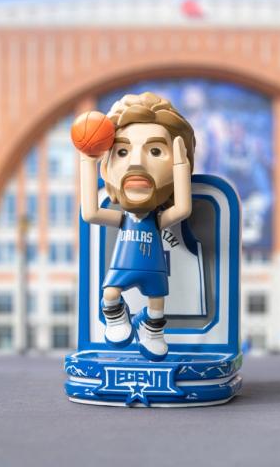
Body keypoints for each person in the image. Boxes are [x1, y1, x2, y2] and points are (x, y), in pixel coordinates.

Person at [79, 92, 195, 361]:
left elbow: (183, 209)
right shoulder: (124, 219)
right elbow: (90, 213)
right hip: (123, 266)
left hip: (154, 268)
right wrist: (88, 159)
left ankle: (151, 330)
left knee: (157, 303)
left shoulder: (155, 220)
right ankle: (116, 317)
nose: (136, 163)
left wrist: (181, 166)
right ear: (107, 168)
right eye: (122, 151)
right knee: (110, 292)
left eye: (155, 151)